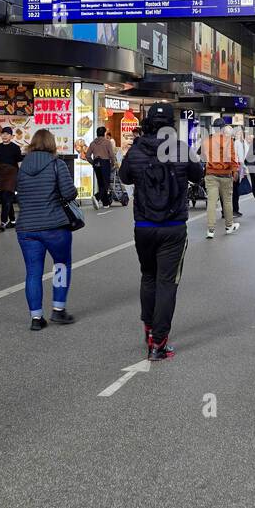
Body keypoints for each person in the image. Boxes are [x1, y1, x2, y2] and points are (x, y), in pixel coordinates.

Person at [119, 103, 204, 360]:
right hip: (173, 226)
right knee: (167, 282)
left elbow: (124, 178)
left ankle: (148, 328)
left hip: (144, 226)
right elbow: (198, 174)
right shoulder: (180, 149)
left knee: (148, 276)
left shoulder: (136, 150)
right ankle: (159, 343)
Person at [14, 129, 78, 330]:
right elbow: (69, 193)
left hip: (26, 227)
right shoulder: (57, 164)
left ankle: (36, 318)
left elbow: (20, 196)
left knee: (33, 272)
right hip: (54, 226)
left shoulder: (23, 167)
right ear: (52, 144)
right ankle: (58, 310)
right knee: (60, 264)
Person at [201, 119, 240, 239]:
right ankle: (229, 226)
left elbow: (203, 157)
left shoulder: (207, 141)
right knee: (227, 201)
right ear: (223, 128)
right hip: (225, 175)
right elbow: (232, 157)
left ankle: (210, 230)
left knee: (212, 202)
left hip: (211, 174)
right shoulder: (228, 140)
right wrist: (235, 171)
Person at [87, 126, 118, 213]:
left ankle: (105, 203)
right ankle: (97, 197)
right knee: (106, 183)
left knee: (101, 182)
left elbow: (87, 156)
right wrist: (113, 163)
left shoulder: (93, 143)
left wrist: (93, 163)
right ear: (104, 133)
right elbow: (111, 155)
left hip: (96, 163)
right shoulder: (107, 142)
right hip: (105, 163)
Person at [231, 125, 247, 218]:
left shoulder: (239, 142)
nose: (241, 133)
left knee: (234, 190)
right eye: (239, 132)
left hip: (237, 167)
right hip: (237, 167)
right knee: (235, 190)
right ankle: (234, 210)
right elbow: (240, 158)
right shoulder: (237, 142)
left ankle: (234, 209)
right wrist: (243, 168)